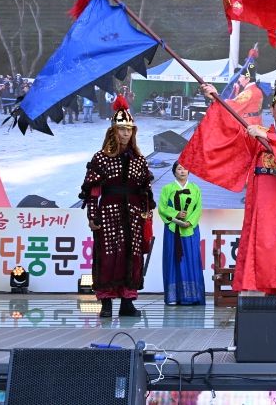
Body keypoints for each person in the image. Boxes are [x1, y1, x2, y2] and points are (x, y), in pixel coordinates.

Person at [179, 77, 276, 295]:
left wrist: (267, 136)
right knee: (260, 244)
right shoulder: (257, 132)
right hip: (262, 199)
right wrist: (215, 99)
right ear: (272, 109)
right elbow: (230, 129)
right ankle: (258, 291)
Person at [78, 95, 155, 318]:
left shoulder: (139, 159)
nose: (126, 133)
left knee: (132, 255)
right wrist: (92, 216)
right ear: (113, 131)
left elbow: (145, 190)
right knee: (109, 255)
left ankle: (127, 302)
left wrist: (146, 214)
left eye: (129, 130)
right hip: (109, 212)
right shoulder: (101, 158)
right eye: (122, 129)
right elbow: (93, 191)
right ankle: (106, 303)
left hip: (133, 214)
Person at [158, 161, 205, 305]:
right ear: (174, 172)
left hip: (190, 229)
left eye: (185, 169)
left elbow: (198, 208)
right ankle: (174, 297)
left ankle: (192, 296)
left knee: (192, 259)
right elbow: (162, 208)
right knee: (173, 260)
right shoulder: (167, 188)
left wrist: (189, 222)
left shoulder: (195, 188)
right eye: (179, 169)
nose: (182, 171)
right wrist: (176, 215)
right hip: (173, 230)